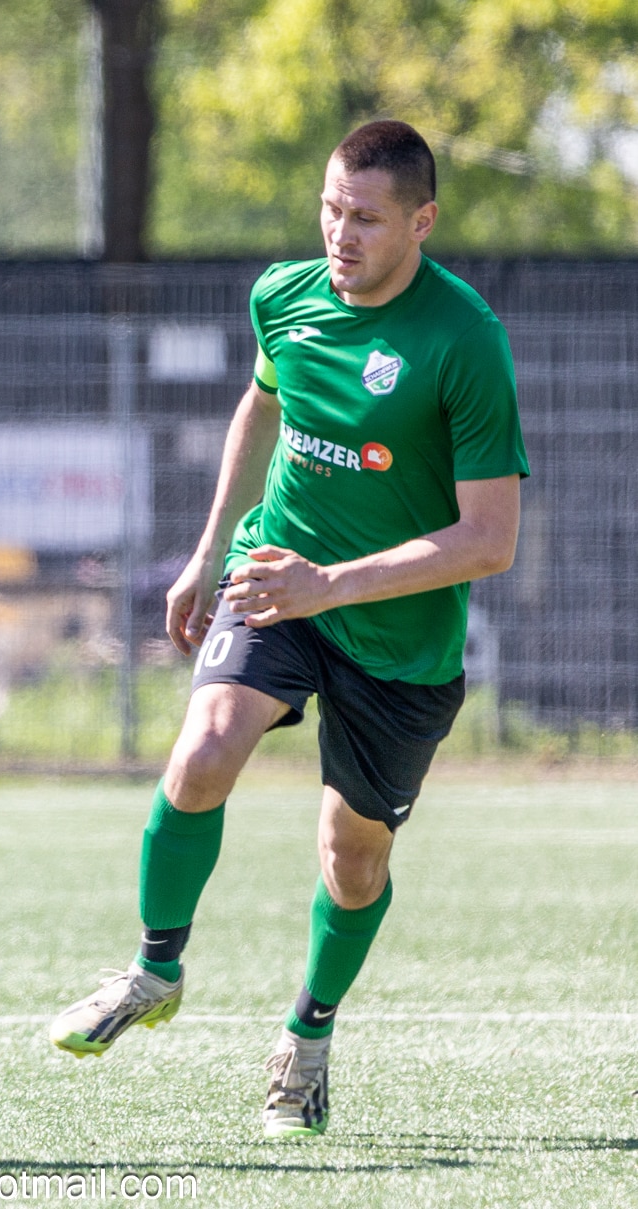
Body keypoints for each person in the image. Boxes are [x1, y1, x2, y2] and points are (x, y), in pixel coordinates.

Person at [47, 120, 527, 1137]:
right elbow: (261, 407)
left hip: (399, 639)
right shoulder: (284, 296)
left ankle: (307, 1038)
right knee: (203, 751)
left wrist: (331, 585)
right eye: (329, 210)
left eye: (366, 219)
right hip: (277, 579)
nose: (340, 235)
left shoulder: (464, 340)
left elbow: (490, 541)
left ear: (422, 223)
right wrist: (206, 549)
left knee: (352, 858)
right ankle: (154, 969)